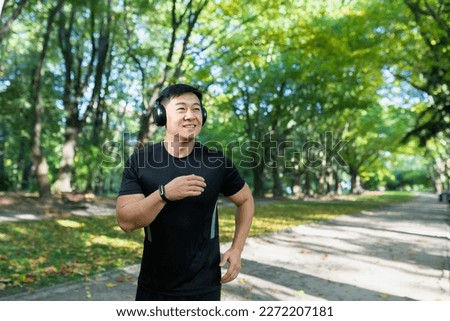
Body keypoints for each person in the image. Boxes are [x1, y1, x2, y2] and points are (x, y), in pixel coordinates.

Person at [116, 84, 254, 301]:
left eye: (196, 109)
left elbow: (245, 200)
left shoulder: (216, 162)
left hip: (205, 286)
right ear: (161, 115)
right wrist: (164, 193)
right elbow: (126, 222)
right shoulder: (140, 162)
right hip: (154, 287)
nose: (191, 115)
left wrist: (237, 249)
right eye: (181, 109)